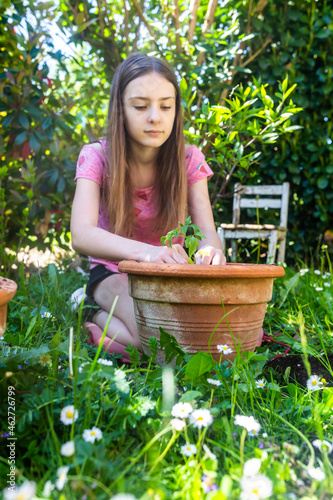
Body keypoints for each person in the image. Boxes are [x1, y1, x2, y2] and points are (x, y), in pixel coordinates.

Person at [70, 53, 226, 356]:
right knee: (164, 344)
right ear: (120, 109)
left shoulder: (189, 159)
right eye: (141, 106)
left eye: (166, 106)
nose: (155, 116)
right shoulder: (96, 156)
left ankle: (104, 327)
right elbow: (81, 234)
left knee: (204, 340)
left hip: (172, 278)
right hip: (113, 274)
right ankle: (90, 309)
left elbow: (208, 231)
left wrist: (209, 250)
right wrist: (148, 253)